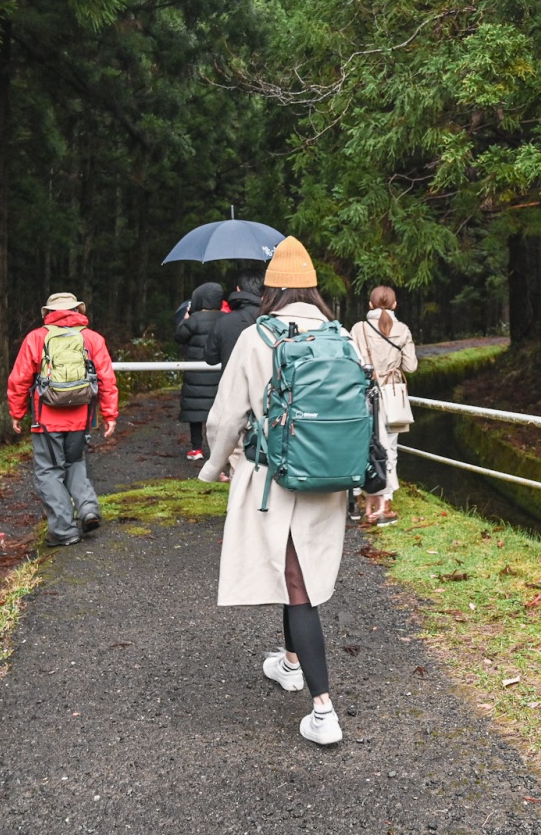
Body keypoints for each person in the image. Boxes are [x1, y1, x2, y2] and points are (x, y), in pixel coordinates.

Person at [198, 237, 357, 746]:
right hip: (331, 477)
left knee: (296, 585)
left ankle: (324, 711)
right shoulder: (340, 336)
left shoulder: (257, 337)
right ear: (313, 288)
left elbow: (226, 417)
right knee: (301, 569)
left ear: (270, 290)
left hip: (277, 477)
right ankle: (289, 662)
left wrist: (215, 466)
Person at [6, 292, 118, 547]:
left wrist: (17, 412)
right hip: (81, 418)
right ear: (78, 311)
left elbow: (19, 379)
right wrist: (110, 414)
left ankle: (64, 531)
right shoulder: (92, 339)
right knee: (75, 461)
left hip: (46, 419)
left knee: (48, 472)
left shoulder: (36, 338)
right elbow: (107, 380)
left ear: (47, 313)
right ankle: (88, 508)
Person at [350, 286, 417, 527]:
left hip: (362, 394)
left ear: (370, 305)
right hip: (391, 395)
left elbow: (351, 361)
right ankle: (385, 501)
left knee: (360, 444)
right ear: (395, 305)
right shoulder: (402, 330)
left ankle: (357, 497)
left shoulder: (358, 329)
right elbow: (411, 366)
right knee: (389, 448)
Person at [173, 282, 225, 461]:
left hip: (195, 372)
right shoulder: (225, 318)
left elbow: (179, 337)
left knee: (196, 412)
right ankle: (219, 449)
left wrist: (186, 319)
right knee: (219, 412)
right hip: (219, 371)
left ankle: (196, 448)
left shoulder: (194, 320)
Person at [203, 270, 264, 368]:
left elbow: (210, 358)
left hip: (232, 382)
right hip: (265, 382)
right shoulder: (272, 320)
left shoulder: (223, 322)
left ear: (238, 289)